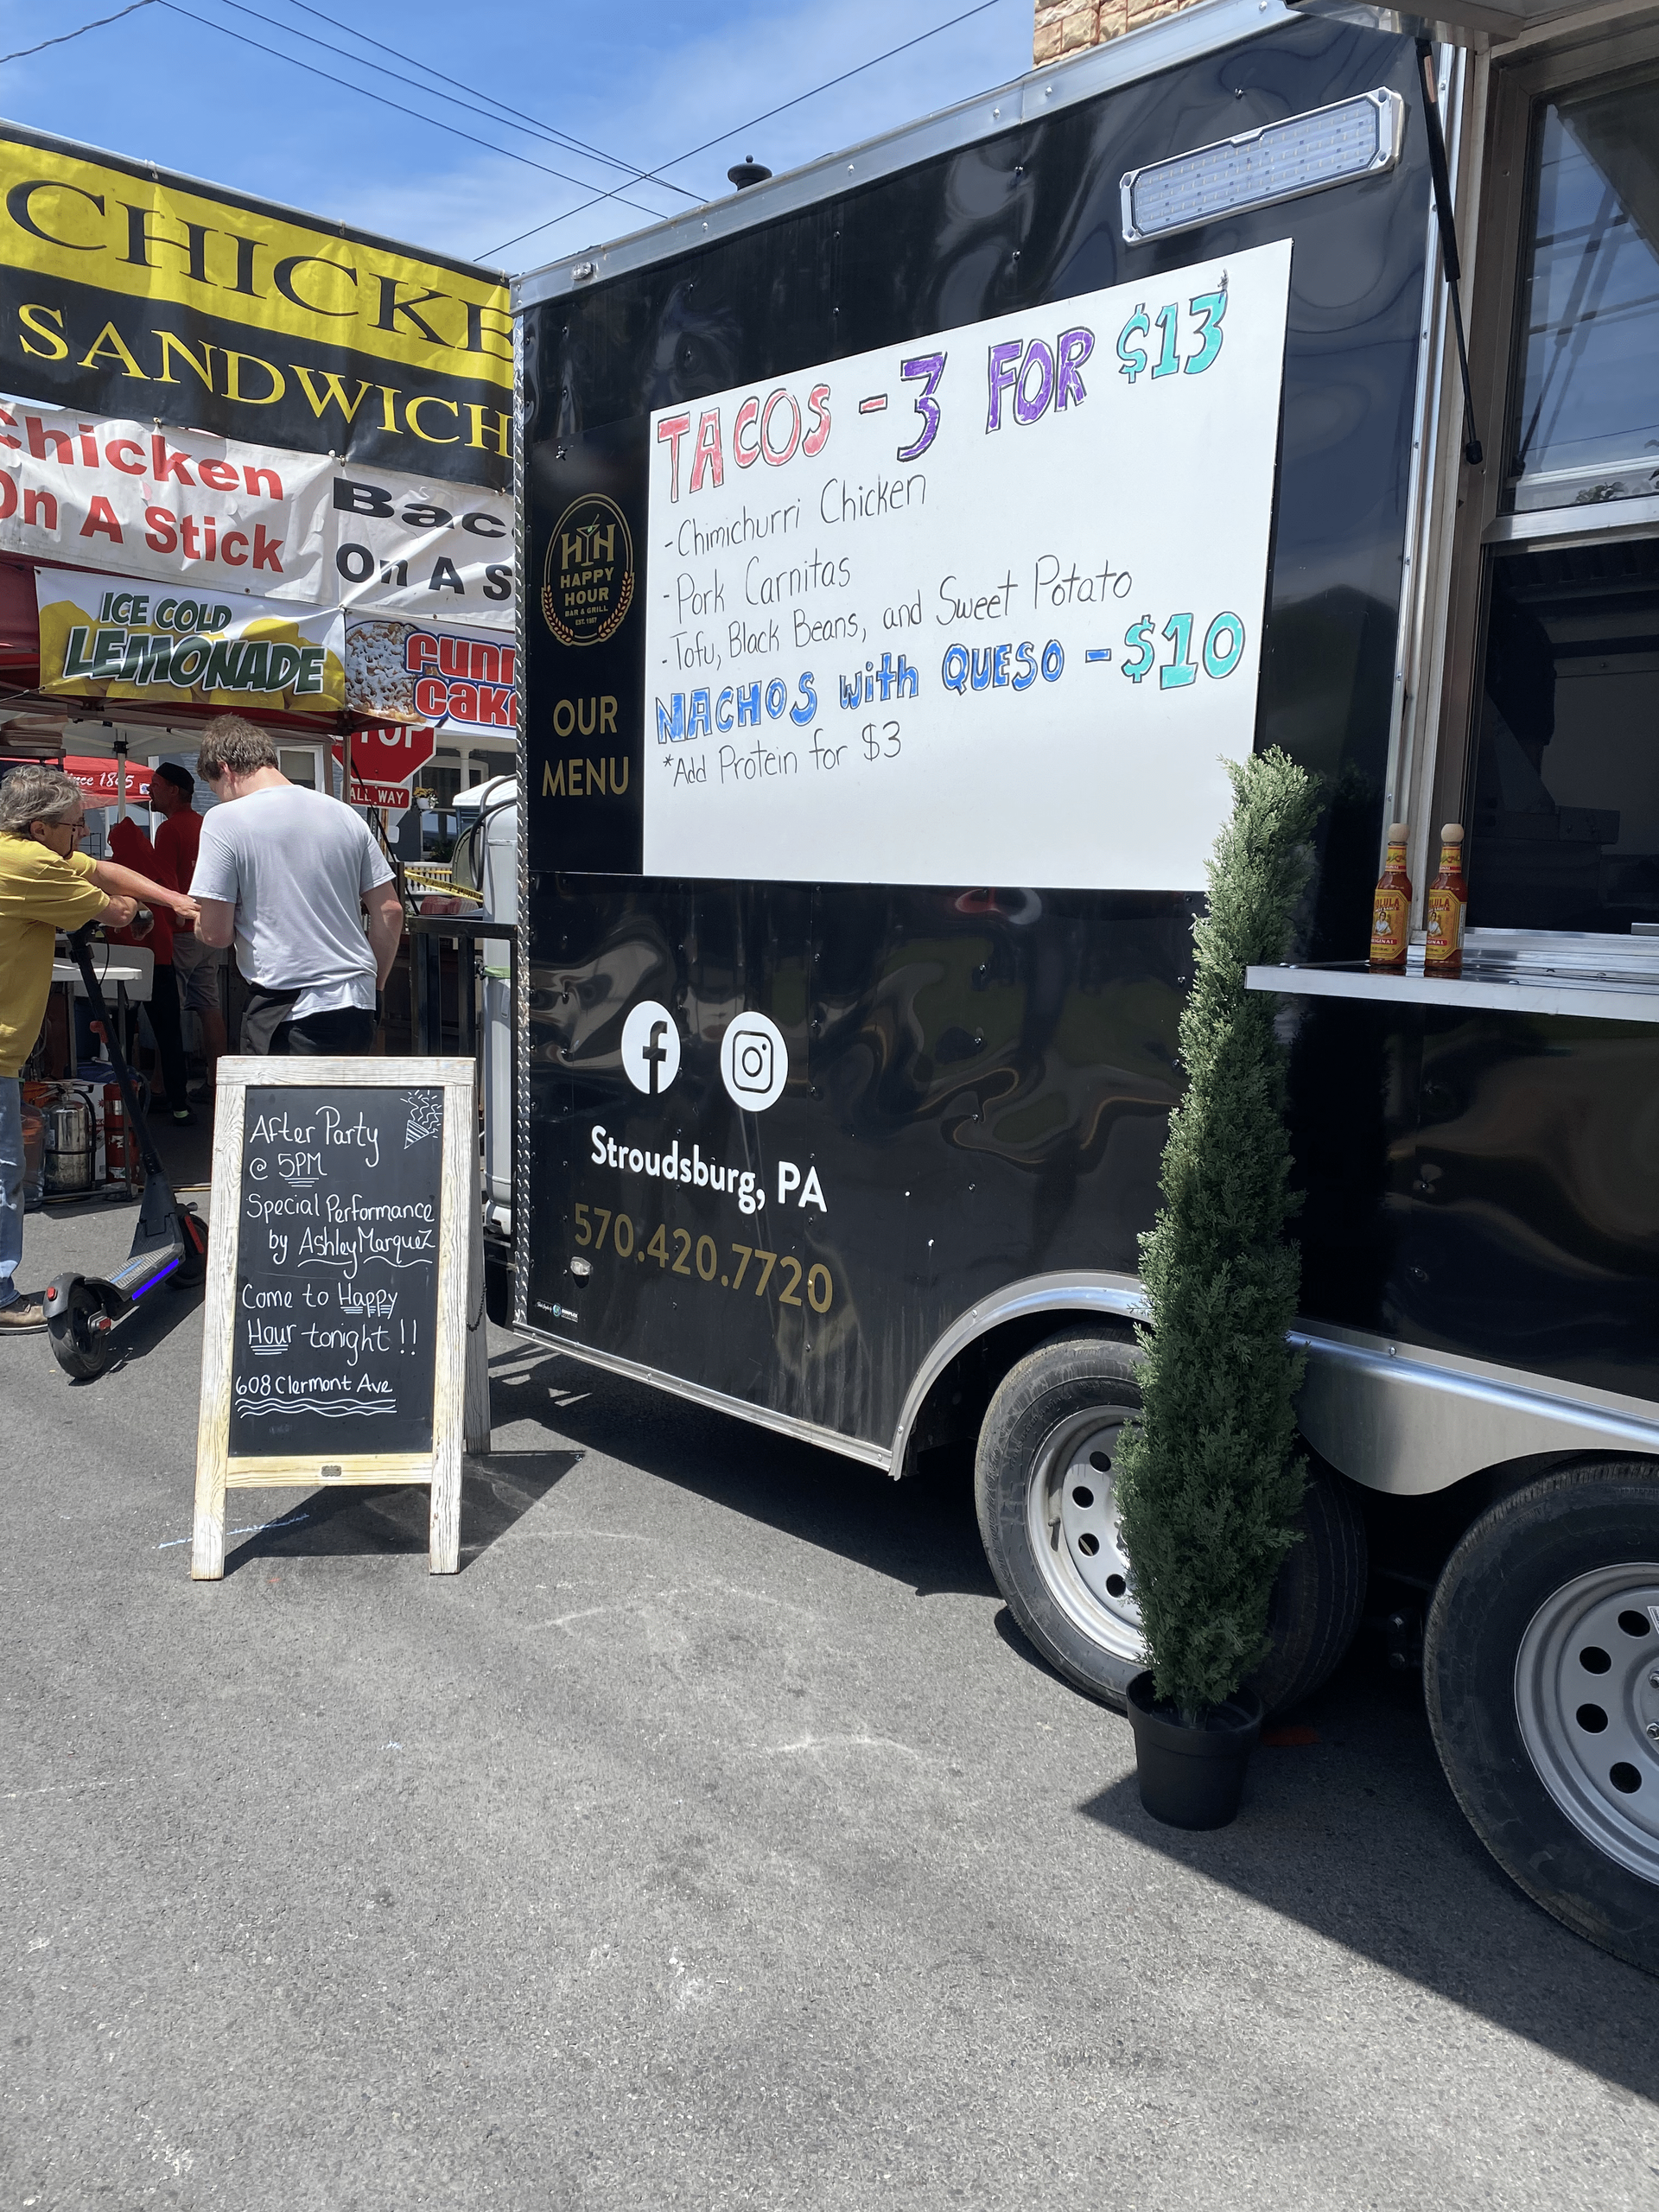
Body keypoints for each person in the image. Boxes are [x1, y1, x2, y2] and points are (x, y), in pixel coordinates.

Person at [0, 766, 198, 1333]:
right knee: (4, 1172)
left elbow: (103, 869)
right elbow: (112, 908)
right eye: (74, 827)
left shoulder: (20, 850)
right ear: (40, 828)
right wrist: (140, 912)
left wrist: (173, 899)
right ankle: (1, 1295)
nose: (81, 837)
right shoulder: (33, 863)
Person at [189, 716, 404, 1056]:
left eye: (217, 790)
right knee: (347, 1109)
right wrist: (373, 987)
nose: (220, 800)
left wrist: (199, 922)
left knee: (282, 1110)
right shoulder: (345, 814)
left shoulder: (224, 819)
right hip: (358, 1003)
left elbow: (217, 934)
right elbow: (390, 911)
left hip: (287, 1006)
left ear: (225, 769)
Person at [105, 811, 193, 1123]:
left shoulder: (114, 875)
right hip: (160, 962)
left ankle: (120, 1105)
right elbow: (178, 917)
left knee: (116, 1038)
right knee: (169, 1036)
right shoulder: (159, 871)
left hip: (118, 967)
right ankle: (180, 1106)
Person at [149, 760, 228, 1090]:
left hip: (178, 930)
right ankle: (217, 1081)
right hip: (208, 927)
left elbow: (162, 883)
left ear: (173, 790)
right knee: (209, 1005)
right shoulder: (207, 824)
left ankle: (160, 1082)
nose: (149, 790)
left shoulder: (169, 830)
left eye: (154, 785)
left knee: (167, 1009)